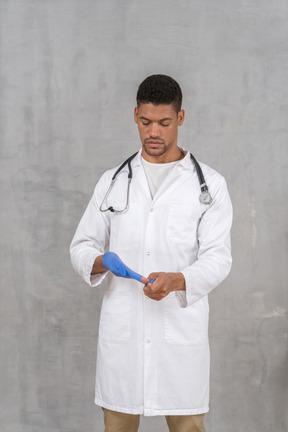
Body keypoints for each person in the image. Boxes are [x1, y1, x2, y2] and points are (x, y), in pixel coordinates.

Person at [70, 74, 233, 432]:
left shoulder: (210, 185)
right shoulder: (112, 181)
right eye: (145, 122)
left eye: (164, 122)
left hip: (178, 332)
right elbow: (82, 245)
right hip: (123, 336)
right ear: (135, 116)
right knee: (117, 426)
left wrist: (178, 280)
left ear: (181, 118)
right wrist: (101, 261)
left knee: (188, 426)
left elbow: (218, 257)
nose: (153, 132)